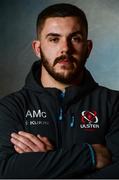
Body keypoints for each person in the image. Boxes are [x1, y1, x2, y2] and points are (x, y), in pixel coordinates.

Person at [0, 3, 119, 179]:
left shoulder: (114, 103)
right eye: (54, 39)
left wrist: (44, 164)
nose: (65, 48)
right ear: (37, 49)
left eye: (75, 38)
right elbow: (5, 171)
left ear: (88, 48)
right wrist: (90, 156)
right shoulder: (11, 108)